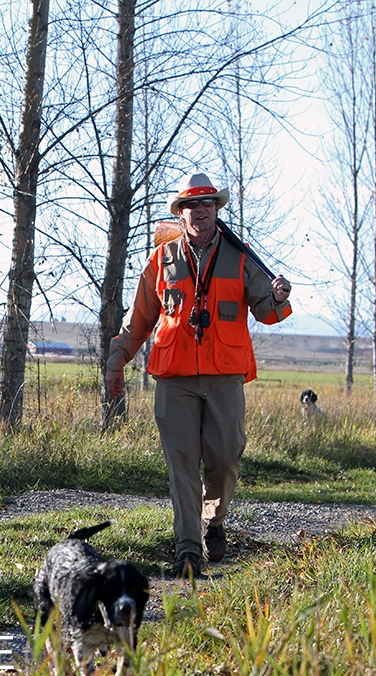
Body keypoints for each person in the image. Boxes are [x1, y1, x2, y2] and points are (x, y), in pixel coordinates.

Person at [104, 174, 293, 578]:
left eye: (208, 203)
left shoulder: (241, 257)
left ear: (216, 210)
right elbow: (138, 320)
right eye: (192, 204)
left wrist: (277, 296)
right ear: (181, 212)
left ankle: (215, 521)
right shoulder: (161, 259)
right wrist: (117, 359)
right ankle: (188, 550)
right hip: (174, 377)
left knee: (225, 461)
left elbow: (267, 310)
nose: (201, 209)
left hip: (226, 375)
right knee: (182, 466)